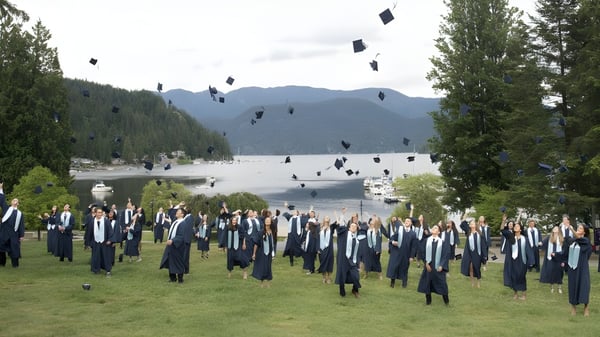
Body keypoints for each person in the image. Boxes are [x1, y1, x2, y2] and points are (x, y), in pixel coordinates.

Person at [417, 224, 450, 305]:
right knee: (428, 283)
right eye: (433, 227)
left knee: (442, 284)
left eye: (436, 228)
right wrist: (426, 263)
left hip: (438, 267)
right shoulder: (426, 241)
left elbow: (445, 255)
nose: (434, 229)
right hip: (429, 267)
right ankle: (428, 302)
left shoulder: (442, 242)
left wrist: (441, 265)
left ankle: (446, 302)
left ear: (438, 232)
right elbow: (422, 252)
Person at [564, 223, 592, 316]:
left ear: (584, 231)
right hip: (572, 268)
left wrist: (571, 229)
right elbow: (566, 250)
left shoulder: (586, 241)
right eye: (578, 228)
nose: (578, 229)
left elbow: (580, 239)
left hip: (582, 268)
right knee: (573, 286)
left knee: (584, 286)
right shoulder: (572, 241)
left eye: (581, 228)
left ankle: (586, 307)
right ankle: (573, 307)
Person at [501, 221, 531, 300]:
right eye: (515, 226)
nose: (515, 227)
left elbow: (528, 250)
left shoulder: (525, 239)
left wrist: (531, 261)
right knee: (514, 276)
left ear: (520, 229)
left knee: (521, 276)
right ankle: (515, 294)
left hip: (522, 260)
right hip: (513, 260)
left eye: (517, 226)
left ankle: (524, 294)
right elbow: (503, 231)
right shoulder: (511, 237)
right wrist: (503, 221)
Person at [386, 217, 417, 288]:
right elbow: (393, 238)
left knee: (404, 268)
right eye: (405, 221)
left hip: (406, 253)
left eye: (408, 221)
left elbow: (414, 246)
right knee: (395, 267)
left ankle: (404, 283)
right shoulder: (400, 230)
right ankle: (392, 282)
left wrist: (412, 256)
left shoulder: (413, 234)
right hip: (397, 252)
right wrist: (393, 242)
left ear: (411, 223)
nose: (406, 222)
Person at [159, 207, 187, 283]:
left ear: (182, 214)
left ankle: (180, 279)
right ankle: (172, 278)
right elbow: (171, 212)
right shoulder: (175, 221)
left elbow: (181, 235)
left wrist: (173, 240)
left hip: (178, 245)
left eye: (178, 212)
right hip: (171, 244)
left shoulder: (183, 223)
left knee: (178, 261)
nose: (176, 212)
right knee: (170, 260)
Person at [334, 221, 362, 298]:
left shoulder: (356, 239)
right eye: (352, 226)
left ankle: (355, 290)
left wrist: (358, 263)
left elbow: (358, 252)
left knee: (356, 276)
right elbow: (339, 229)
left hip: (353, 260)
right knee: (342, 275)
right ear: (349, 228)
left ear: (356, 229)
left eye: (355, 227)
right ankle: (342, 290)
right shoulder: (344, 235)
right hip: (343, 259)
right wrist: (342, 216)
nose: (353, 227)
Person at [0, 184, 25, 268]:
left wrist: (21, 235)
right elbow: (2, 200)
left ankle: (15, 265)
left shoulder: (20, 214)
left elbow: (21, 225)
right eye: (13, 200)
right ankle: (2, 263)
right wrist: (1, 189)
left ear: (18, 203)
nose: (14, 201)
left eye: (16, 200)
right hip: (4, 231)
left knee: (14, 249)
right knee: (1, 248)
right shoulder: (6, 209)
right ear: (11, 202)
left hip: (14, 233)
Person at [84, 208, 113, 276]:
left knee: (106, 256)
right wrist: (88, 243)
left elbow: (110, 231)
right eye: (98, 212)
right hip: (95, 242)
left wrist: (110, 240)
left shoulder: (106, 221)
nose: (100, 214)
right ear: (95, 213)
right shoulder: (92, 221)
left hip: (104, 241)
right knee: (96, 256)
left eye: (101, 212)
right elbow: (89, 233)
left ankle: (108, 270)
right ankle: (96, 269)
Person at [460, 219, 487, 288]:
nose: (471, 225)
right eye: (470, 224)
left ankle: (478, 281)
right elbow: (462, 224)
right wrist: (465, 216)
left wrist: (484, 257)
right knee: (470, 267)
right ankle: (472, 282)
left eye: (473, 224)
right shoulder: (468, 232)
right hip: (469, 253)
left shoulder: (480, 234)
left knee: (477, 268)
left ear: (475, 225)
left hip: (477, 254)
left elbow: (483, 246)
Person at [540, 224, 565, 293]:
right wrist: (540, 243)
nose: (554, 229)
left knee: (559, 273)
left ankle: (559, 287)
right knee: (551, 272)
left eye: (556, 228)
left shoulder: (561, 239)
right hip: (550, 258)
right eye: (554, 228)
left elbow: (564, 250)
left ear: (559, 230)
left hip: (559, 258)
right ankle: (552, 287)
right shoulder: (549, 238)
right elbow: (543, 243)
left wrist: (562, 260)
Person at [252, 216, 275, 287]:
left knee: (268, 267)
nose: (267, 221)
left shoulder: (272, 232)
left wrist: (273, 254)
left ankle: (268, 283)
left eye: (269, 220)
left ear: (271, 222)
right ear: (264, 222)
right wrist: (254, 254)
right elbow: (256, 244)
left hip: (269, 253)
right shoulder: (260, 232)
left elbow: (273, 244)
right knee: (262, 267)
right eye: (266, 220)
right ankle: (261, 283)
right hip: (261, 252)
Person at [364, 216, 386, 280]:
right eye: (371, 222)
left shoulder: (378, 230)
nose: (371, 223)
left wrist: (377, 249)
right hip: (368, 248)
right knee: (367, 262)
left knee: (376, 262)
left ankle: (380, 275)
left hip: (375, 248)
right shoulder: (368, 229)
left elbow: (379, 241)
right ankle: (366, 274)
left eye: (373, 222)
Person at [317, 216, 335, 284]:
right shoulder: (320, 228)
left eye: (328, 217)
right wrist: (318, 248)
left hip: (329, 248)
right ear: (323, 219)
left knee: (330, 263)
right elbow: (317, 239)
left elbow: (337, 224)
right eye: (326, 217)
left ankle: (329, 278)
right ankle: (324, 277)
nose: (327, 218)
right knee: (323, 263)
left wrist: (342, 214)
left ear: (329, 219)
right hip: (322, 249)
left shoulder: (331, 228)